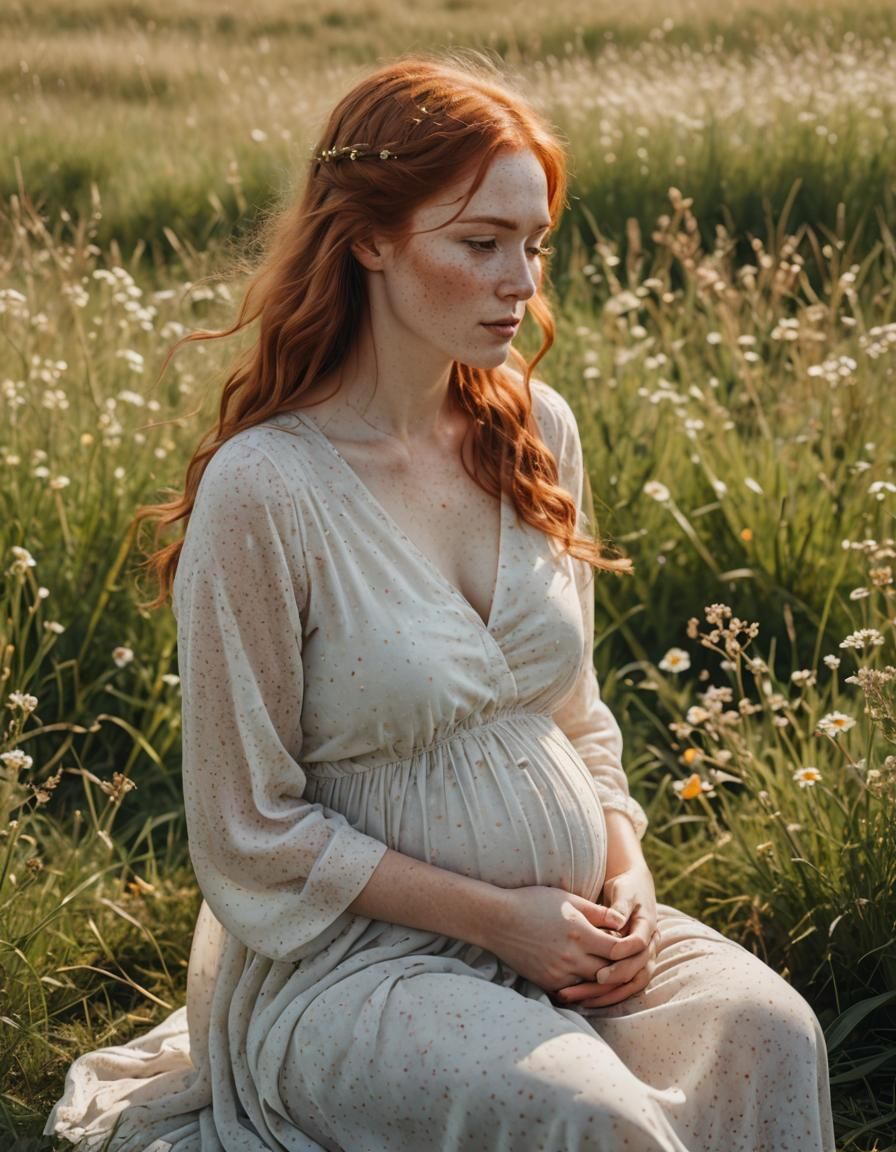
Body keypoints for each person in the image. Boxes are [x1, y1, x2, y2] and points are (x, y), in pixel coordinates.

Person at [46, 53, 836, 1152]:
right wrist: (501, 920)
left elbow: (575, 715)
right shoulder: (265, 488)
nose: (522, 282)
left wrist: (628, 873)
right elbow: (247, 827)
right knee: (585, 1115)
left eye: (534, 244)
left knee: (773, 1032)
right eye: (480, 243)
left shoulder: (536, 430)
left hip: (574, 930)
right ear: (370, 239)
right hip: (355, 962)